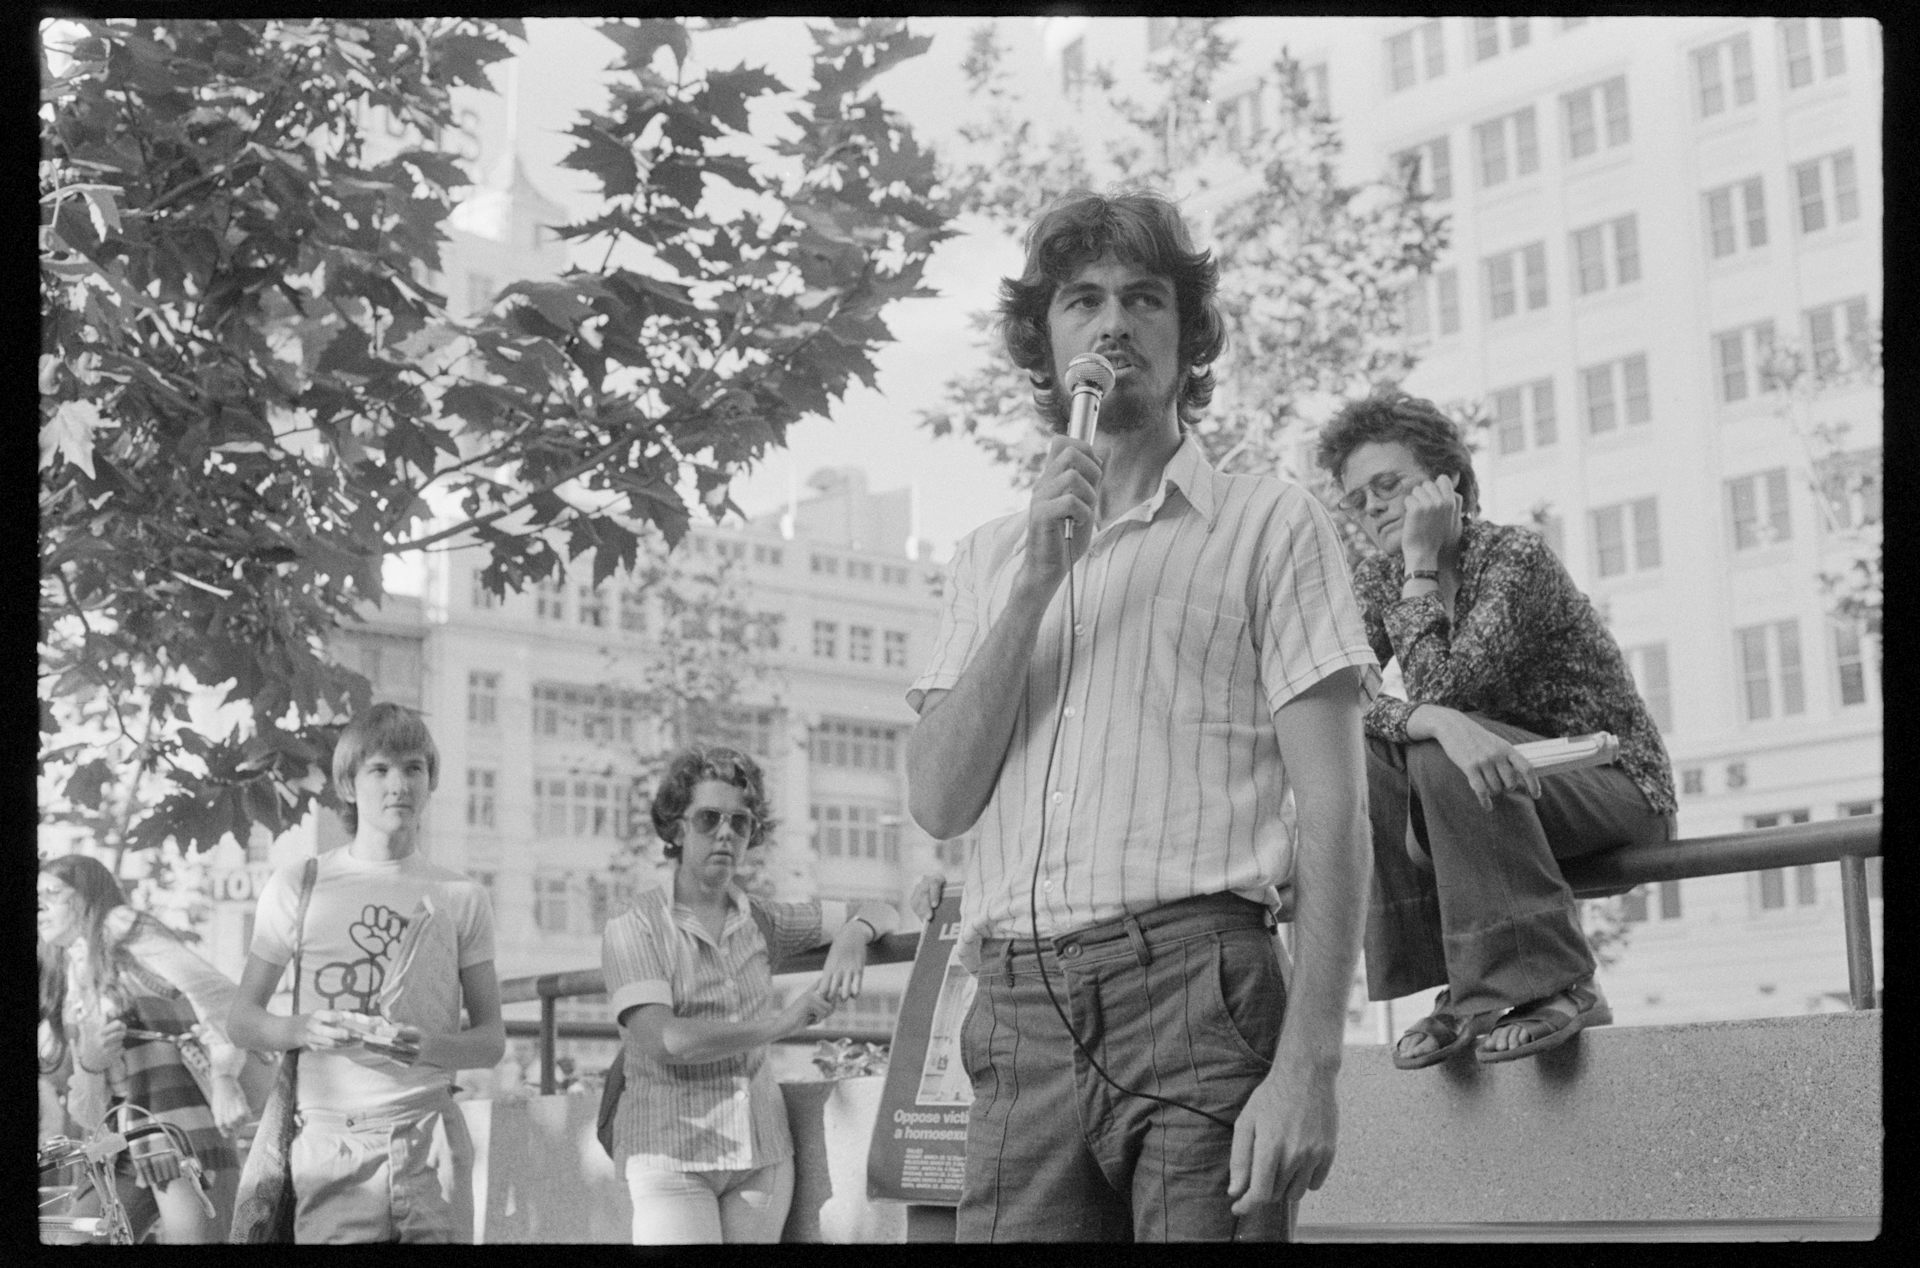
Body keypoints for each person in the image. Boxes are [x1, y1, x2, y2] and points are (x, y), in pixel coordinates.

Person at [905, 188, 1378, 1242]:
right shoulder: (990, 557)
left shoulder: (1268, 520)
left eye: (1144, 298)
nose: (1113, 321)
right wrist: (1035, 581)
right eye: (1082, 300)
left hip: (1199, 987)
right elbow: (939, 797)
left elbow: (1337, 808)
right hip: (1020, 1009)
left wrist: (1311, 1062)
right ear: (1047, 337)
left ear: (1187, 334)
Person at [1314, 392, 1678, 1068]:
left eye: (1389, 486)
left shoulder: (1513, 559)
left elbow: (1448, 690)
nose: (1374, 509)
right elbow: (1338, 703)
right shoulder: (1375, 580)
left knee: (1441, 746)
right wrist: (1428, 720)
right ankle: (1466, 990)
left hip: (1611, 787)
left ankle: (1562, 984)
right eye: (1359, 500)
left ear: (1445, 482)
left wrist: (1422, 568)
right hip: (1498, 799)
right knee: (1376, 747)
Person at [227, 702, 504, 1243]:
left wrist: (429, 1047)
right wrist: (302, 1029)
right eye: (379, 770)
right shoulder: (300, 884)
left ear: (430, 782)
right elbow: (242, 1019)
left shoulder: (461, 896)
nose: (398, 783)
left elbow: (491, 1041)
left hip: (432, 1140)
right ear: (349, 786)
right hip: (332, 1147)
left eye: (413, 768)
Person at [600, 744, 899, 1244]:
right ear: (676, 828)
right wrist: (782, 1023)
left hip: (761, 1155)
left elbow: (884, 909)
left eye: (740, 823)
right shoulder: (634, 925)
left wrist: (855, 934)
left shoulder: (764, 919)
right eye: (708, 819)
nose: (725, 833)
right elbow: (664, 1040)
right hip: (669, 1153)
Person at [38, 853, 252, 1242]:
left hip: (178, 1129)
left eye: (52, 892)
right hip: (114, 1142)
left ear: (87, 898)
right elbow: (87, 1112)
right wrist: (89, 1062)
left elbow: (220, 995)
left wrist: (224, 1074)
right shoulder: (69, 970)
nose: (39, 905)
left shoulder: (119, 925)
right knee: (74, 1239)